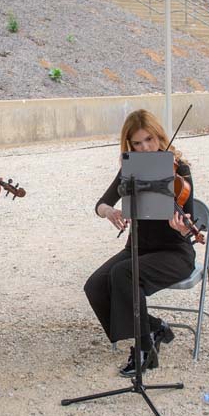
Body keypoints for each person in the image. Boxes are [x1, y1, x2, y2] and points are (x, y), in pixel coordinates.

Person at [84, 109, 198, 377]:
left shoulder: (179, 169)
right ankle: (155, 327)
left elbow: (189, 222)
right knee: (95, 286)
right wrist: (109, 212)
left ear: (159, 136)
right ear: (129, 145)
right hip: (138, 248)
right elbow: (101, 204)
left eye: (149, 139)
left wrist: (182, 228)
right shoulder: (131, 169)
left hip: (174, 253)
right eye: (137, 143)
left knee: (124, 273)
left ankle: (144, 350)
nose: (145, 148)